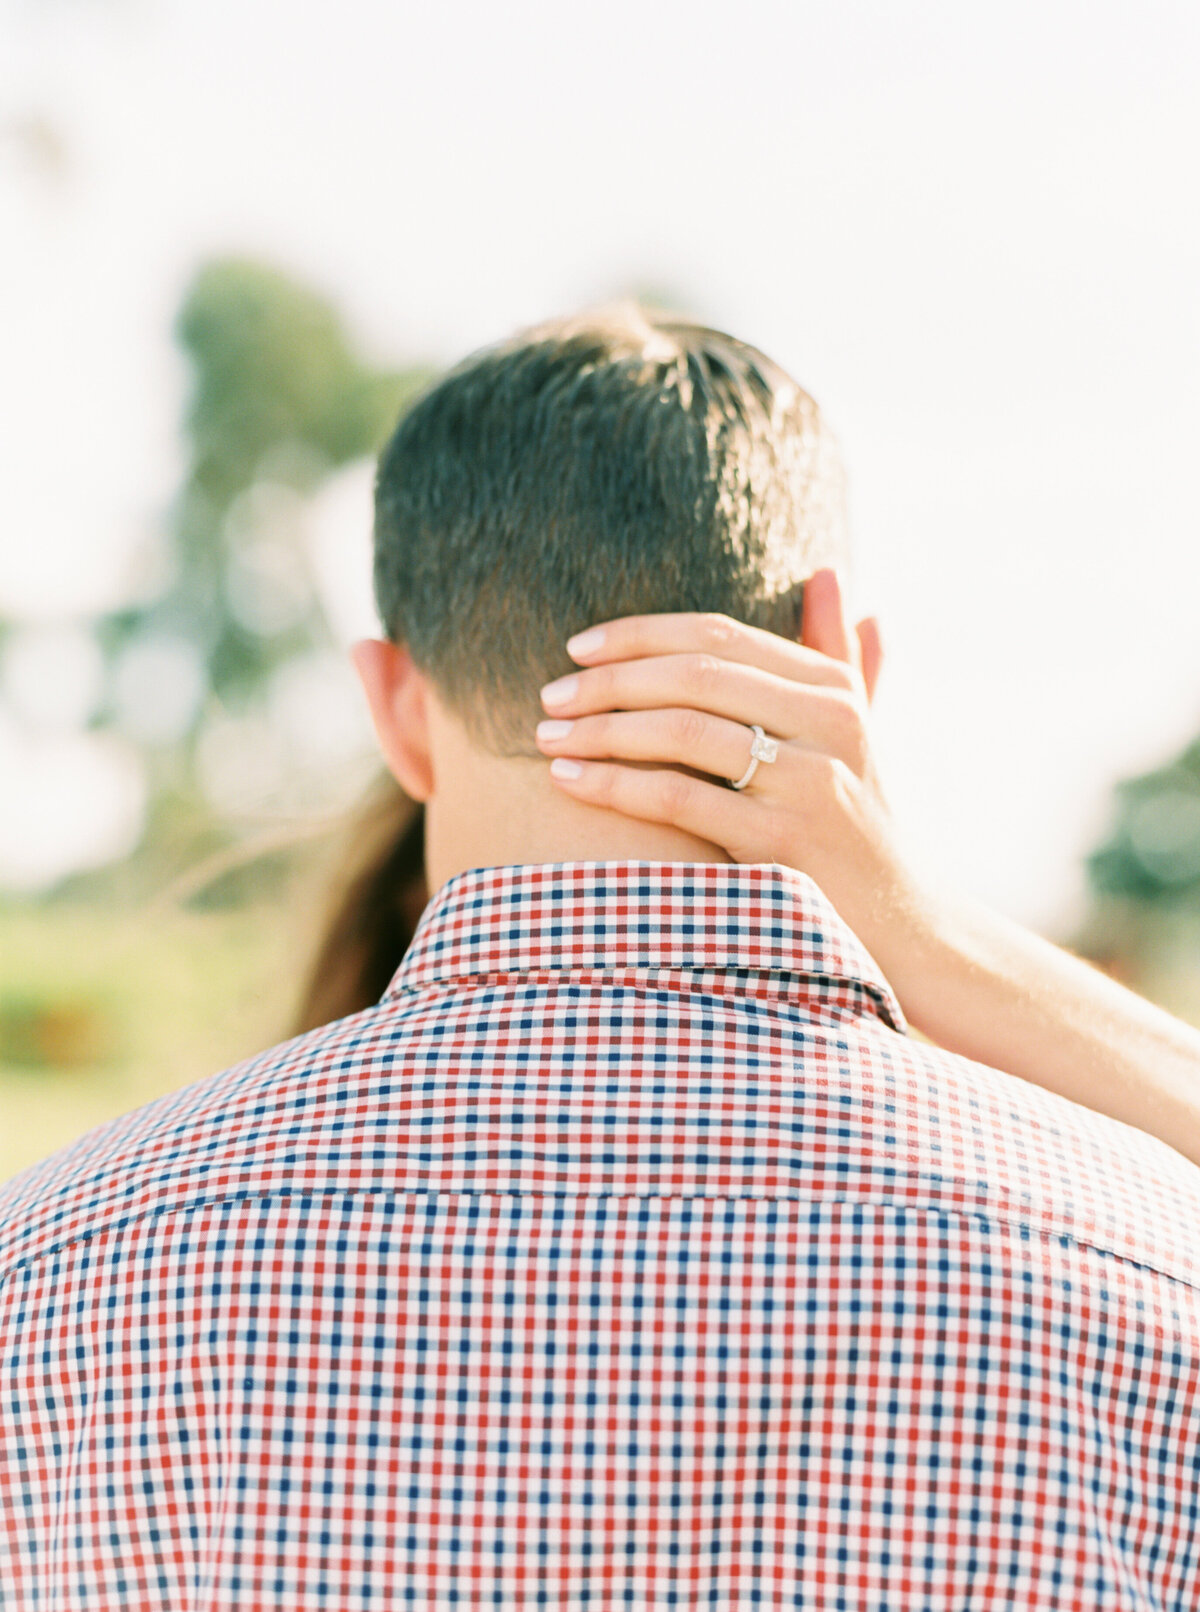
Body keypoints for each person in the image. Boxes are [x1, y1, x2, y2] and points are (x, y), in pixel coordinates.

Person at [2, 305, 1199, 1611]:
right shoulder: (1157, 1284)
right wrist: (937, 938)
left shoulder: (50, 1276)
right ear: (840, 665)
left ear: (399, 704)